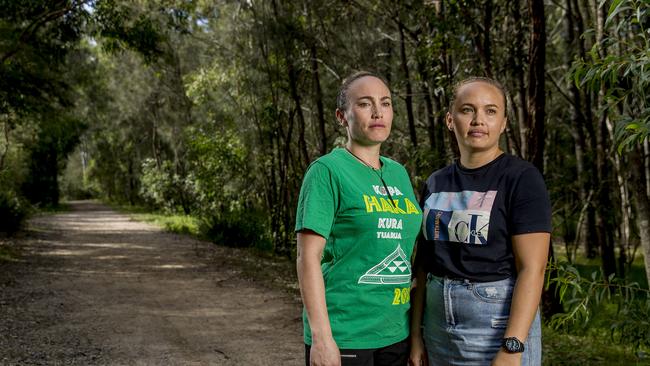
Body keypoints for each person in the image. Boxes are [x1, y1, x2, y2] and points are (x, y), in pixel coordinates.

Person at [409, 77, 551, 366]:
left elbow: (533, 269)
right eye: (467, 110)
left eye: (490, 111)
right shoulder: (436, 182)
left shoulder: (522, 178)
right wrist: (416, 336)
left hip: (495, 324)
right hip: (438, 326)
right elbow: (423, 265)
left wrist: (512, 346)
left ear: (504, 123)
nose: (478, 120)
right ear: (450, 120)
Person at [295, 71, 423, 366]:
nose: (378, 112)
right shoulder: (327, 171)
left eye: (386, 103)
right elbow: (307, 258)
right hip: (346, 334)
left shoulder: (399, 173)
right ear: (342, 116)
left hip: (395, 334)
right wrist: (322, 338)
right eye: (365, 104)